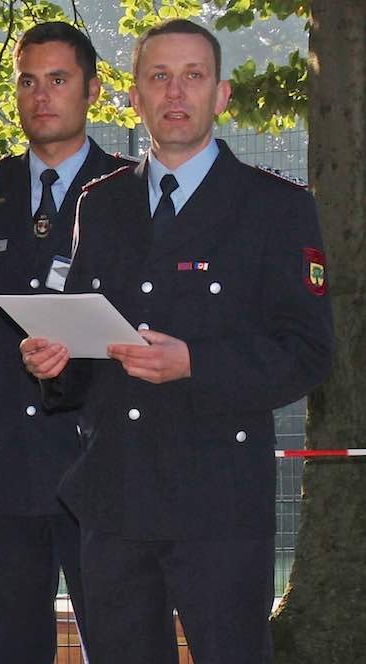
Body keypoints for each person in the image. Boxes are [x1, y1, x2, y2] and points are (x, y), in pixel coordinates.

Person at [21, 19, 333, 664]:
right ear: (133, 96)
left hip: (218, 502)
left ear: (220, 96)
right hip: (116, 498)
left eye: (193, 76)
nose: (175, 92)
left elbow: (308, 353)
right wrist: (53, 364)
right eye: (158, 77)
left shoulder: (275, 207)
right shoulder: (99, 204)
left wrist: (196, 362)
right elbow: (83, 349)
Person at [0, 21, 133, 664]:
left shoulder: (133, 191)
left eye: (58, 79)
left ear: (92, 89)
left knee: (121, 646)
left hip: (106, 465)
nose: (41, 96)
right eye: (28, 81)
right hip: (1, 464)